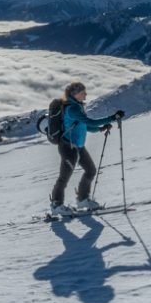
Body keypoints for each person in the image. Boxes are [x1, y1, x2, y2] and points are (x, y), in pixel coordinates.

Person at [50, 82, 124, 214]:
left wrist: (100, 128)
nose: (85, 94)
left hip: (78, 146)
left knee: (90, 170)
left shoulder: (77, 106)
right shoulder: (72, 108)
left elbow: (86, 126)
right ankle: (56, 205)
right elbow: (89, 121)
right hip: (68, 147)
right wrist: (112, 117)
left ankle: (82, 199)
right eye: (83, 92)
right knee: (64, 177)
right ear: (75, 94)